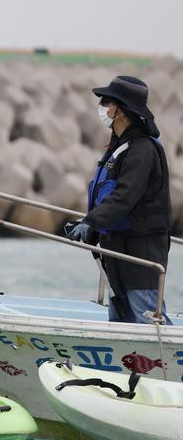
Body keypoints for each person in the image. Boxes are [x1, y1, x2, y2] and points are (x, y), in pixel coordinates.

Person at [66, 75, 173, 324]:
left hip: (140, 254)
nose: (102, 108)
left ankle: (167, 362)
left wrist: (92, 221)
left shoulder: (142, 150)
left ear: (121, 110)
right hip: (115, 251)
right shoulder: (118, 148)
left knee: (147, 319)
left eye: (106, 102)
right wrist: (88, 224)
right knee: (120, 318)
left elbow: (125, 197)